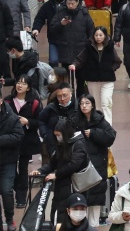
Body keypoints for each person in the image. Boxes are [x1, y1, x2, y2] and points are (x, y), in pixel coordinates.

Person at [69, 95, 116, 227]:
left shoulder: (100, 120)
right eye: (82, 103)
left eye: (87, 103)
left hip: (97, 167)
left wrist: (94, 133)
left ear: (93, 105)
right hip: (80, 168)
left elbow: (111, 137)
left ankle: (94, 227)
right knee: (81, 200)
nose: (84, 106)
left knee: (95, 202)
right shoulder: (74, 121)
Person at [31, 119, 87, 224]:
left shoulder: (78, 144)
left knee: (65, 217)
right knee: (56, 214)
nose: (57, 137)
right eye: (56, 135)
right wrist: (40, 171)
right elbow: (53, 163)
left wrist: (56, 174)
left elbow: (74, 165)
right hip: (61, 187)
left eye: (59, 135)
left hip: (72, 187)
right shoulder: (62, 144)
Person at [69, 27, 121, 125]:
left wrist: (111, 69)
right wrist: (74, 65)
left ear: (105, 36)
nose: (98, 37)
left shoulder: (110, 47)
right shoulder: (88, 48)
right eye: (96, 35)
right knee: (95, 105)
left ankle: (107, 125)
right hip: (92, 80)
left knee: (106, 103)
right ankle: (97, 124)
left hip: (107, 80)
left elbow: (117, 61)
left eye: (100, 35)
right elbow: (80, 59)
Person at [4, 75, 41, 208]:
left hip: (27, 141)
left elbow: (39, 121)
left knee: (23, 168)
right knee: (11, 169)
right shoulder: (7, 101)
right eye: (18, 82)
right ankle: (17, 188)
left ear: (28, 87)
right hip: (10, 141)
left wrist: (28, 122)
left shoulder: (35, 102)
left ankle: (21, 198)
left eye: (24, 84)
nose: (20, 85)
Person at [49, 0, 94, 97]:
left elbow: (91, 31)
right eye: (69, 3)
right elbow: (52, 29)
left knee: (81, 79)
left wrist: (88, 46)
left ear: (77, 2)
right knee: (66, 79)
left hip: (81, 52)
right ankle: (68, 97)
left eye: (73, 3)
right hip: (65, 51)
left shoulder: (84, 14)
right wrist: (61, 24)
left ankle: (80, 98)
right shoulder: (60, 13)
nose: (71, 6)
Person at [0, 94, 23, 231]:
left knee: (6, 190)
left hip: (8, 161)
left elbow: (18, 136)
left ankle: (10, 220)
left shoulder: (11, 116)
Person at [38, 83, 77, 156]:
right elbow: (41, 119)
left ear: (71, 94)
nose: (62, 99)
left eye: (65, 95)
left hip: (73, 145)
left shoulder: (77, 108)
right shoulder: (51, 108)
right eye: (59, 96)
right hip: (53, 145)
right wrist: (45, 134)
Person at [32, 0, 64, 66]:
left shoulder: (69, 3)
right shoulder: (47, 6)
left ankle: (66, 78)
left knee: (67, 63)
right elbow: (39, 18)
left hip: (67, 38)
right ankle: (55, 78)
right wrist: (36, 29)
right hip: (53, 38)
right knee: (53, 61)